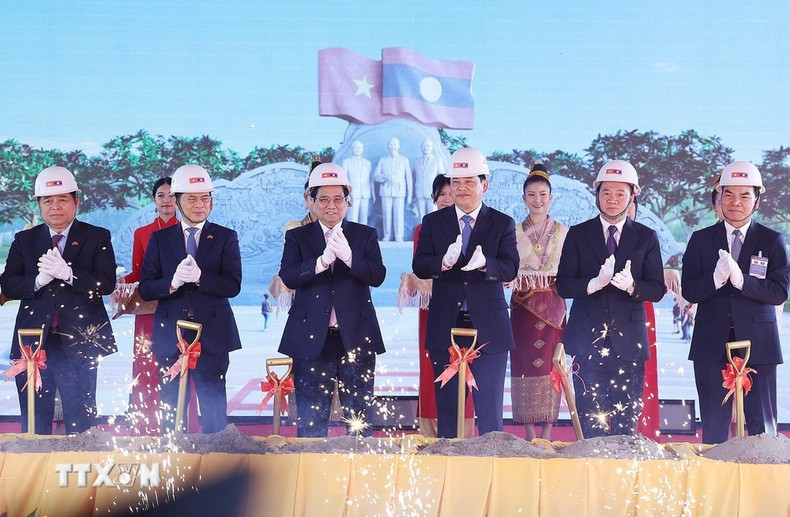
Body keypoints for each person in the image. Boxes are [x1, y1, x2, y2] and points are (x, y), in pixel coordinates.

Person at [0, 166, 117, 434]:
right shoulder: (24, 240)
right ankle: (37, 470)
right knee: (35, 417)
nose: (55, 207)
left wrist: (70, 274)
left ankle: (81, 471)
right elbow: (8, 283)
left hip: (79, 341)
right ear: (39, 205)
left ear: (76, 201)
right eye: (47, 201)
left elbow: (107, 282)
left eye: (63, 199)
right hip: (34, 341)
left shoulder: (97, 236)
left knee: (81, 416)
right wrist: (37, 281)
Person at [413, 147, 519, 438]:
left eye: (469, 181)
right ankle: (449, 473)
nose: (461, 188)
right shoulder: (434, 222)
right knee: (448, 412)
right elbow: (420, 265)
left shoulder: (502, 223)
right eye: (456, 182)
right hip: (445, 325)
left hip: (490, 328)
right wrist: (442, 263)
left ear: (484, 184)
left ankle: (490, 474)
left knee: (490, 414)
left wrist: (486, 264)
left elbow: (510, 268)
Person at [682, 161, 789, 444]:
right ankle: (716, 484)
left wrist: (743, 282)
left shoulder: (772, 240)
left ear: (757, 200)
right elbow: (690, 290)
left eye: (744, 195)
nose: (735, 202)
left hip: (759, 345)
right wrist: (715, 280)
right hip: (711, 342)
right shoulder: (701, 239)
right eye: (728, 194)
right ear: (719, 198)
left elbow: (779, 292)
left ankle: (761, 482)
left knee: (762, 428)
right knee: (714, 429)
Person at [557, 160, 665, 438]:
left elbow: (657, 288)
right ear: (597, 194)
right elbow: (564, 285)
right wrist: (592, 285)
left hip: (629, 343)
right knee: (591, 420)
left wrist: (632, 287)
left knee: (626, 422)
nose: (613, 199)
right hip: (586, 342)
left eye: (620, 193)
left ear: (633, 195)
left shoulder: (646, 237)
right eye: (606, 193)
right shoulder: (578, 234)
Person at [278, 163, 386, 437]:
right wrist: (321, 262)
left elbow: (377, 275)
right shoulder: (297, 236)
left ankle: (359, 472)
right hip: (312, 336)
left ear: (348, 201)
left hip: (356, 336)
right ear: (311, 201)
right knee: (311, 419)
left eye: (338, 198)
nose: (331, 205)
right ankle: (310, 473)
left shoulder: (365, 234)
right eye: (323, 199)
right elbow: (289, 276)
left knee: (358, 418)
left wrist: (350, 257)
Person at [139, 165, 242, 434]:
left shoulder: (225, 237)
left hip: (214, 336)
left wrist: (201, 278)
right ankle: (174, 467)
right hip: (170, 337)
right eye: (192, 199)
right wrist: (171, 283)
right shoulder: (159, 239)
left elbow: (233, 285)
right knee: (172, 409)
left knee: (213, 409)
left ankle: (216, 465)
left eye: (205, 198)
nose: (200, 205)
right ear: (177, 200)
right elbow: (147, 288)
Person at [399, 174, 475, 437]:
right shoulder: (425, 228)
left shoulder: (471, 226)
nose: (446, 199)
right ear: (434, 198)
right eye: (441, 194)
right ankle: (431, 430)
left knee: (465, 367)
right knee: (432, 365)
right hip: (432, 309)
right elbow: (421, 267)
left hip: (465, 310)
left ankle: (462, 430)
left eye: (450, 193)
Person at [509, 162, 568, 441]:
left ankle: (548, 430)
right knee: (523, 363)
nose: (538, 200)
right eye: (532, 195)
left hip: (554, 307)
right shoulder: (513, 232)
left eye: (543, 194)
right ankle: (529, 431)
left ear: (551, 197)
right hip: (523, 307)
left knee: (550, 364)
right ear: (524, 199)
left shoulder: (564, 232)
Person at [118, 177, 179, 435]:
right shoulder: (142, 233)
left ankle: (179, 427)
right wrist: (121, 282)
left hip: (180, 308)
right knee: (146, 365)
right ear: (154, 200)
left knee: (178, 366)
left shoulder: (189, 230)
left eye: (171, 195)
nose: (166, 200)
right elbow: (138, 272)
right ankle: (145, 427)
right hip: (149, 310)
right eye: (161, 195)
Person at [373, 137, 413, 242]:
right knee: (386, 214)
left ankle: (399, 235)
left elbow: (408, 178)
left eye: (395, 144)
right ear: (388, 146)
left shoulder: (404, 160)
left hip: (399, 190)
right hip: (386, 190)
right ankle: (387, 235)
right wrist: (383, 177)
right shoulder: (383, 160)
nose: (392, 146)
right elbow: (375, 175)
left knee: (399, 214)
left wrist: (410, 194)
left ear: (398, 146)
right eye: (390, 144)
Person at [342, 141, 373, 225]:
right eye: (355, 148)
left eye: (359, 148)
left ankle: (364, 236)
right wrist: (346, 193)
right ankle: (351, 236)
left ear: (362, 149)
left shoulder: (367, 163)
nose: (357, 150)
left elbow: (371, 179)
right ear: (351, 149)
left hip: (365, 192)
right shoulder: (346, 162)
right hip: (352, 193)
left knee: (364, 216)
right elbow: (344, 180)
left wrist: (373, 194)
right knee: (352, 216)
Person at [413, 139, 445, 219]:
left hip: (433, 193)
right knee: (421, 217)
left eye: (428, 146)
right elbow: (414, 178)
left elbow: (442, 178)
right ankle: (422, 231)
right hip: (419, 192)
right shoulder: (416, 162)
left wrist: (440, 192)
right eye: (423, 146)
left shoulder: (437, 160)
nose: (425, 148)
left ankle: (433, 231)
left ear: (432, 148)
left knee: (433, 216)